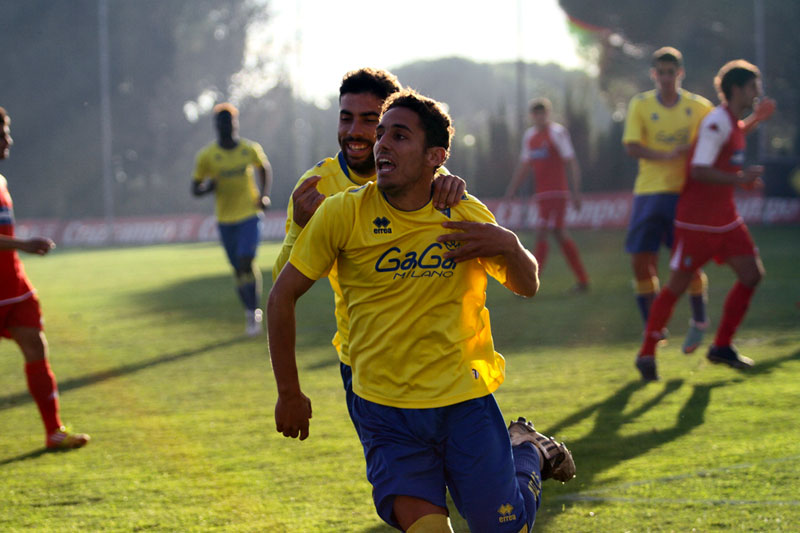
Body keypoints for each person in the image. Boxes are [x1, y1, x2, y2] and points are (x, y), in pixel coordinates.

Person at [267, 89, 574, 532]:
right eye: (381, 134)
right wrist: (289, 392)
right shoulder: (341, 213)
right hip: (386, 413)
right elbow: (281, 296)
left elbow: (527, 285)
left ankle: (527, 451)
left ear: (436, 156)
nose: (381, 143)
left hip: (464, 405)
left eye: (399, 135)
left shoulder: (461, 213)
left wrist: (508, 243)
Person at [271, 68, 465, 430]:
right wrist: (298, 227)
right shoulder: (317, 186)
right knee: (404, 483)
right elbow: (281, 286)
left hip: (438, 360)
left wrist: (452, 185)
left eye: (368, 120)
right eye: (346, 118)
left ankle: (523, 452)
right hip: (364, 358)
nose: (354, 132)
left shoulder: (419, 173)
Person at [635, 60, 771, 381]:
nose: (757, 93)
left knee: (752, 274)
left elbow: (734, 135)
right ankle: (646, 353)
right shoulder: (716, 123)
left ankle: (721, 346)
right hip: (697, 223)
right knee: (677, 287)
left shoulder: (731, 123)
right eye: (753, 88)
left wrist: (756, 120)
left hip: (726, 220)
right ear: (737, 89)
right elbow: (698, 169)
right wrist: (739, 178)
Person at [0, 106, 90, 449]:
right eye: (2, 135)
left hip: (14, 286)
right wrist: (24, 243)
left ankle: (54, 432)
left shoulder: (2, 182)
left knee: (36, 346)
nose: (8, 140)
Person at [622, 47, 716, 353]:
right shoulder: (641, 104)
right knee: (640, 263)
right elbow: (632, 146)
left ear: (680, 74)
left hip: (684, 195)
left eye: (670, 72)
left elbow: (718, 137)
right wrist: (666, 154)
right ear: (654, 75)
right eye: (660, 72)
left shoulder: (699, 107)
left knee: (687, 264)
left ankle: (699, 320)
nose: (665, 78)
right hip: (648, 194)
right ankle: (654, 327)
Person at [192, 103, 272, 336]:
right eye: (222, 123)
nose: (227, 127)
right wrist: (208, 188)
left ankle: (254, 311)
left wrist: (264, 195)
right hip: (225, 219)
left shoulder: (249, 149)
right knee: (238, 269)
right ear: (216, 126)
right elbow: (194, 188)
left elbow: (264, 167)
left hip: (249, 214)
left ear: (235, 124)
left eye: (230, 122)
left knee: (246, 260)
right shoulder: (207, 156)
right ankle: (249, 311)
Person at [505, 97, 590, 292]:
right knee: (557, 234)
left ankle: (530, 283)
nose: (539, 117)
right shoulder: (530, 137)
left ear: (548, 114)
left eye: (542, 113)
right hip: (542, 195)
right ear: (532, 116)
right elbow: (524, 166)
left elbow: (571, 162)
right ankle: (582, 280)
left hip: (558, 193)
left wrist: (576, 193)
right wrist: (511, 191)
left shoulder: (557, 133)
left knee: (544, 233)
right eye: (536, 114)